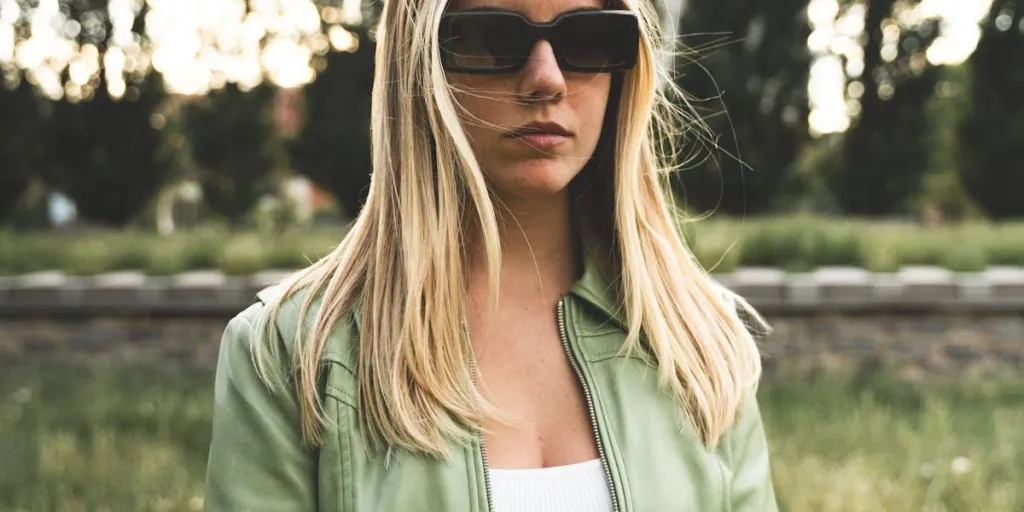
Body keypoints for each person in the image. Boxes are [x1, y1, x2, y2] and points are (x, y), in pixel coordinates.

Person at [203, 0, 778, 509]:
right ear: (420, 63)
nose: (546, 79)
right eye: (492, 38)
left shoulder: (702, 345)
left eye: (589, 39)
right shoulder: (287, 357)